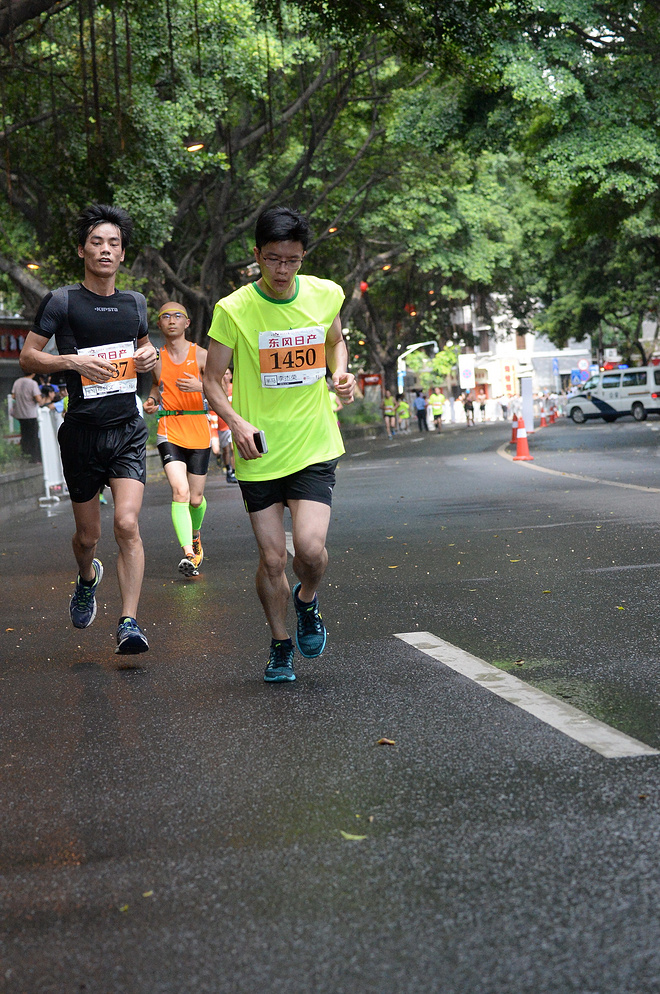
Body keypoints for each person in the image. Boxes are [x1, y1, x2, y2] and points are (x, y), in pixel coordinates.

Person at [203, 205, 355, 683]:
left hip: (313, 442)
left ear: (303, 256)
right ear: (257, 257)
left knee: (308, 551)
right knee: (272, 559)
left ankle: (306, 599)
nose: (283, 271)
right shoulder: (233, 309)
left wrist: (341, 374)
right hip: (260, 451)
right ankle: (280, 643)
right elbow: (209, 380)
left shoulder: (325, 294)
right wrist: (235, 423)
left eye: (292, 260)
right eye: (273, 260)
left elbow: (335, 340)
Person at [19, 203, 158, 656]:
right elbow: (28, 357)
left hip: (126, 428)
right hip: (80, 431)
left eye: (113, 244)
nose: (105, 250)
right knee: (88, 537)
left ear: (122, 255)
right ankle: (86, 577)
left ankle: (129, 622)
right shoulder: (62, 301)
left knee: (127, 522)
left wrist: (149, 359)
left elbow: (143, 352)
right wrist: (70, 360)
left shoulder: (135, 302)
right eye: (96, 242)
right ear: (82, 250)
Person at [144, 302, 211, 577]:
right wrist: (151, 400)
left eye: (177, 316)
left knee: (195, 499)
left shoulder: (203, 356)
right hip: (169, 427)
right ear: (159, 324)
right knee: (180, 492)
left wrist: (202, 386)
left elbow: (224, 387)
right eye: (165, 317)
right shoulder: (155, 359)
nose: (171, 320)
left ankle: (195, 535)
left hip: (198, 426)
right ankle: (188, 553)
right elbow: (156, 386)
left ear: (187, 323)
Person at [11, 371, 46, 462]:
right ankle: (35, 458)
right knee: (33, 437)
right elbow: (38, 399)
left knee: (25, 435)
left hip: (20, 414)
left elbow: (13, 396)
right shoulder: (33, 383)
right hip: (31, 414)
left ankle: (25, 455)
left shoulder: (17, 382)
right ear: (33, 373)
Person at [215, 369, 238, 484]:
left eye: (227, 373)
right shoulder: (218, 389)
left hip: (232, 424)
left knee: (233, 447)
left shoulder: (236, 388)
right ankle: (228, 467)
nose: (225, 376)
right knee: (224, 450)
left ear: (231, 376)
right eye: (223, 373)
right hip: (221, 425)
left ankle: (234, 471)